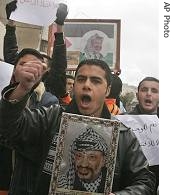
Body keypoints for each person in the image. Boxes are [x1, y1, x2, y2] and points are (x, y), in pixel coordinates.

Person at [0, 58, 156, 195]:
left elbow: (144, 181)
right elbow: (9, 127)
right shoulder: (52, 117)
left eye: (95, 81)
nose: (86, 85)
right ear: (74, 86)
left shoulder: (122, 135)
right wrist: (22, 89)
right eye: (81, 79)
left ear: (107, 90)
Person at [0, 1, 68, 194]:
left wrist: (59, 28)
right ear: (13, 69)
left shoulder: (50, 99)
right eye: (23, 64)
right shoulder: (5, 96)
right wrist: (11, 22)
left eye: (36, 65)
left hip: (29, 183)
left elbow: (60, 66)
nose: (29, 68)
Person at [128, 76, 159, 194]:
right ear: (137, 95)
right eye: (144, 90)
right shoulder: (122, 122)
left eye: (154, 91)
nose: (148, 94)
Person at [58, 127, 108, 192]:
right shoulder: (62, 184)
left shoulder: (112, 183)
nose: (83, 164)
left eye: (91, 157)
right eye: (79, 156)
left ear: (103, 161)